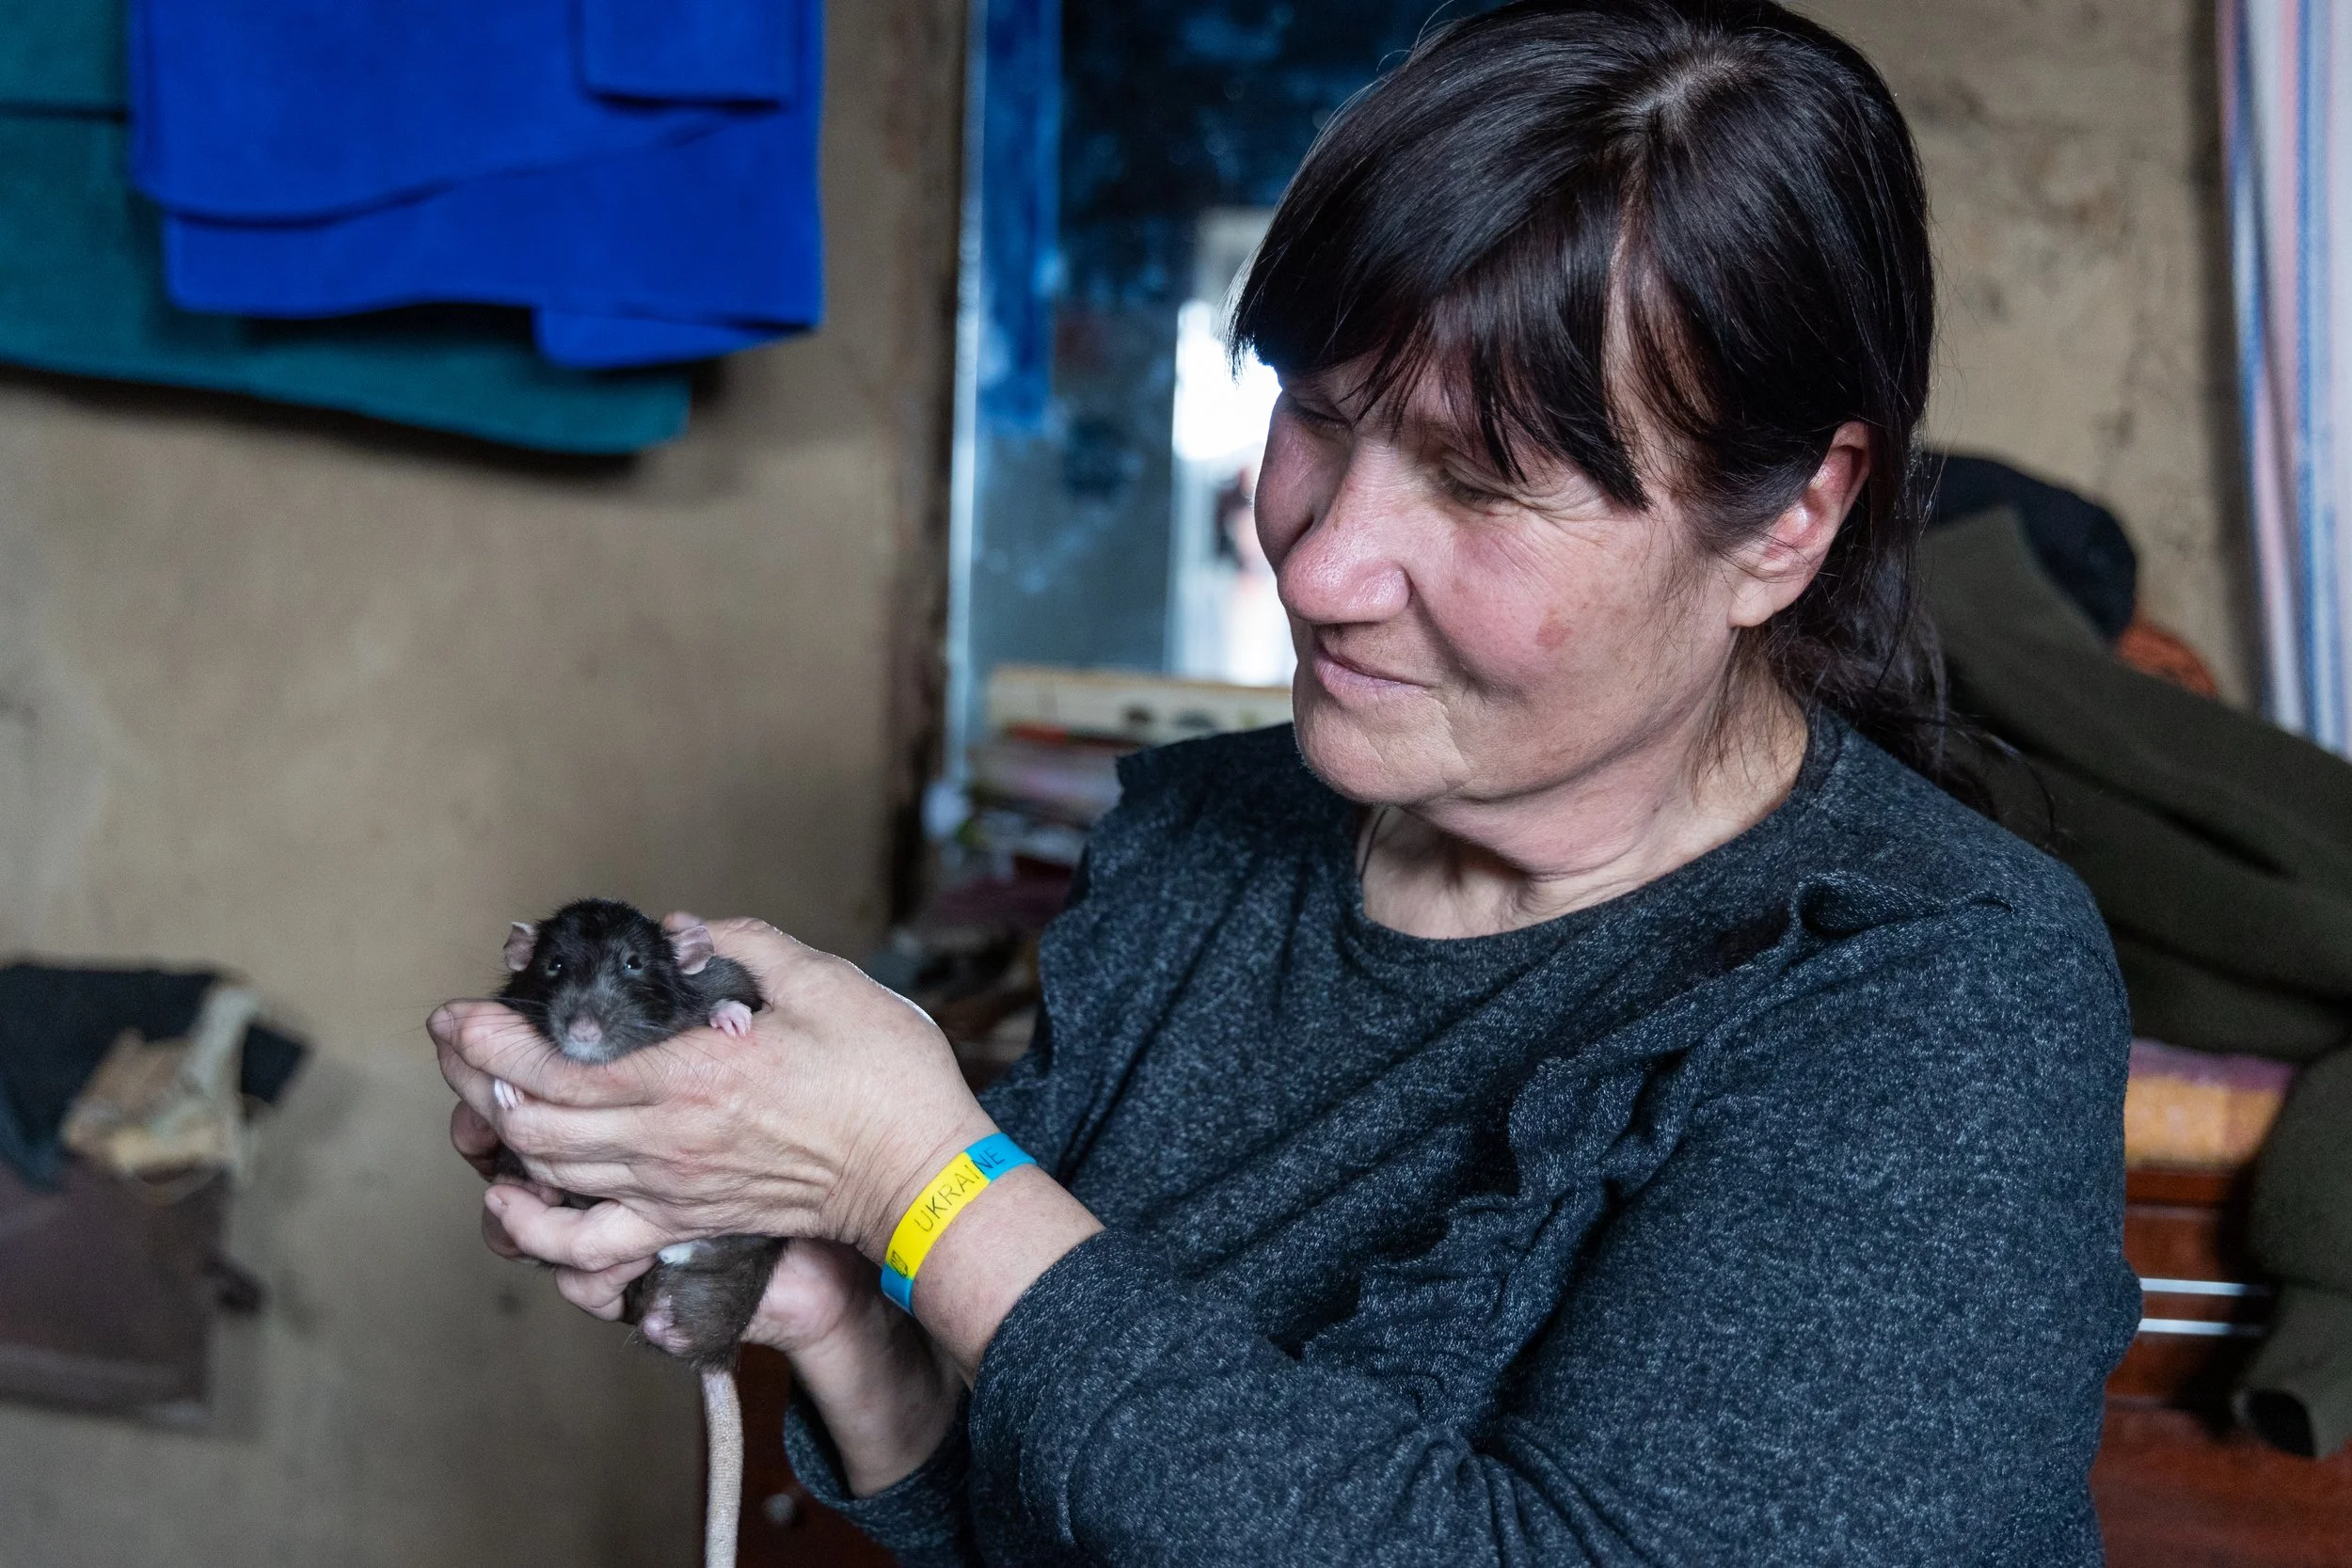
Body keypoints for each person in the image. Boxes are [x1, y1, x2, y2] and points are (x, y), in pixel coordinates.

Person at [433, 2, 2139, 1560]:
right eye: (1317, 415)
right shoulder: (1209, 841)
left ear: (1792, 518)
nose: (1316, 565)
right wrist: (836, 1295)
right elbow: (1044, 1514)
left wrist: (922, 1179)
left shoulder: (1935, 986)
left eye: (1479, 482)